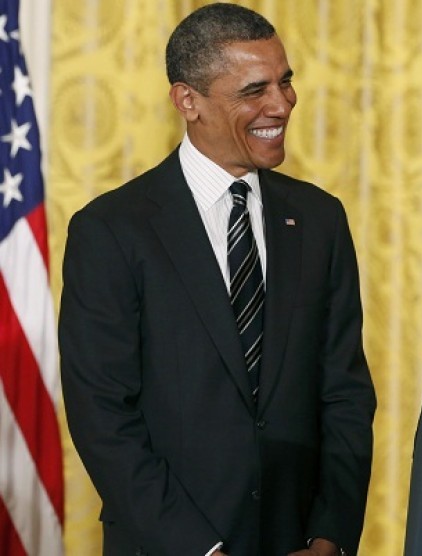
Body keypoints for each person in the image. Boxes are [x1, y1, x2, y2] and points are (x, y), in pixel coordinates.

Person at [59, 4, 375, 555]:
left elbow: (344, 394)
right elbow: (103, 416)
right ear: (188, 101)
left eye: (286, 81)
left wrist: (330, 534)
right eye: (255, 90)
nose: (281, 104)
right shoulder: (111, 230)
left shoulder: (320, 219)